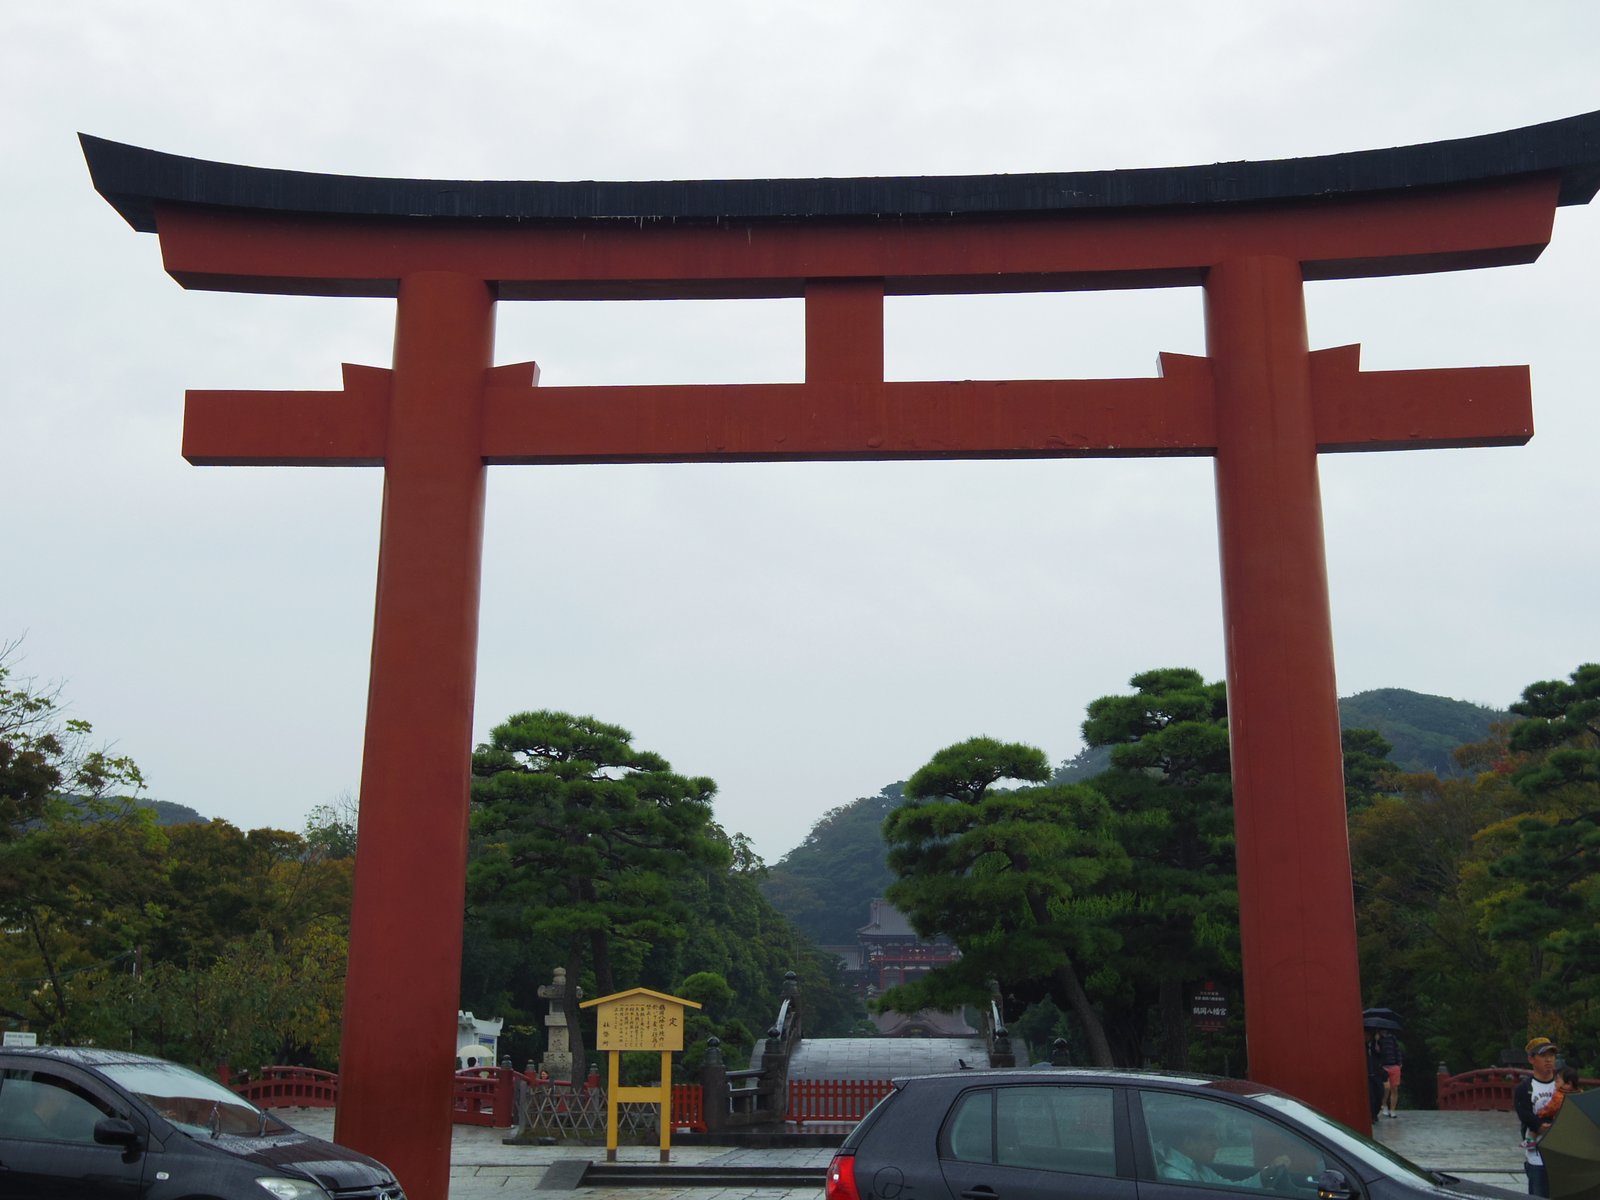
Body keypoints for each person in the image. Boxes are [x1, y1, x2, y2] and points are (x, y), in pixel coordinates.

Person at [1155, 1110, 1291, 1190]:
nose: (1217, 1144)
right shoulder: (1176, 1179)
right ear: (1189, 1143)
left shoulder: (1198, 1169)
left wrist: (1266, 1173)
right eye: (1210, 1138)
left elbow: (1235, 1190)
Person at [1514, 1036, 1562, 1197]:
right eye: (1543, 1056)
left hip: (1561, 1152)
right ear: (1531, 1059)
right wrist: (1539, 1126)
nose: (1549, 1060)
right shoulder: (1525, 1088)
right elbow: (1524, 1113)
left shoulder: (1562, 1085)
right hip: (1537, 1155)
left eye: (1552, 1055)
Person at [1380, 1028, 1403, 1118]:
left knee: (1394, 1089)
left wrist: (1399, 1062)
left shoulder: (1392, 1038)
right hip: (1384, 1066)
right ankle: (1384, 1104)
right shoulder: (1378, 1039)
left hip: (1394, 1065)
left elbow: (1397, 1050)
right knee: (1386, 1088)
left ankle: (1392, 1110)